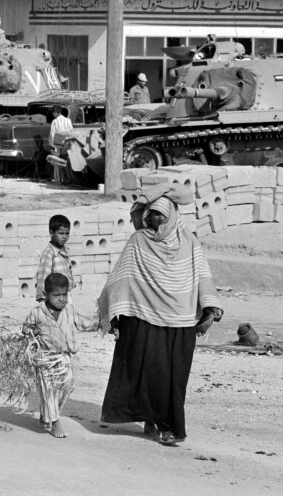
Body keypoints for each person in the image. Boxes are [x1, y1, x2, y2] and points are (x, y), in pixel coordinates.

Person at [98, 183, 223, 445]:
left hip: (180, 321)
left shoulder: (189, 242)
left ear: (173, 216)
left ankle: (167, 424)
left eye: (161, 215)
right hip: (144, 318)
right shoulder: (139, 241)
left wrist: (210, 308)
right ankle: (154, 422)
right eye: (152, 214)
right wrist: (115, 315)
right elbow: (123, 278)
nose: (156, 220)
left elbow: (202, 276)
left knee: (173, 379)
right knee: (146, 372)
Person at [23, 273, 99, 438]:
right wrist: (31, 332)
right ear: (46, 294)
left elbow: (85, 323)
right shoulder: (37, 312)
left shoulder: (70, 310)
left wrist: (103, 321)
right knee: (48, 390)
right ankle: (55, 422)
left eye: (64, 294)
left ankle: (47, 414)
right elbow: (26, 328)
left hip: (64, 358)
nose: (61, 299)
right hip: (44, 359)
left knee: (66, 387)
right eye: (57, 295)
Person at [35, 214, 76, 302]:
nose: (64, 237)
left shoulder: (65, 251)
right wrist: (42, 300)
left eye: (67, 233)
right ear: (51, 233)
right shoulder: (49, 253)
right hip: (53, 297)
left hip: (65, 294)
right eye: (61, 233)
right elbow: (42, 278)